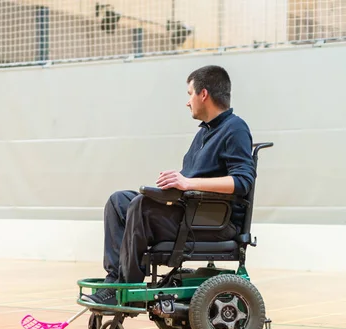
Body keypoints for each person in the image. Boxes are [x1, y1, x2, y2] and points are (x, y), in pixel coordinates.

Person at [82, 65, 256, 306]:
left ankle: (126, 286)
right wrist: (173, 187)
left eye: (189, 94)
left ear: (203, 94)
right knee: (119, 201)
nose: (188, 102)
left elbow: (242, 181)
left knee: (142, 205)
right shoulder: (205, 133)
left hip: (212, 223)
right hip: (190, 214)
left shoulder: (235, 129)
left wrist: (185, 182)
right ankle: (115, 280)